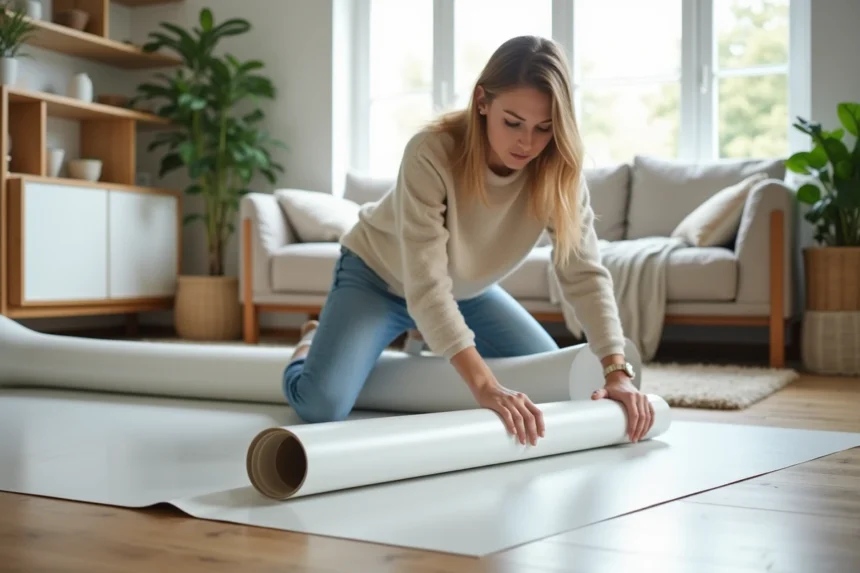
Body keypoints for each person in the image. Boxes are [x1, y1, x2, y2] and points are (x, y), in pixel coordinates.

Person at [283, 35, 655, 446]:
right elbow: (425, 286)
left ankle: (425, 339)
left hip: (464, 292)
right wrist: (484, 387)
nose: (526, 143)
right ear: (482, 101)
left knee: (549, 379)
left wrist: (617, 373)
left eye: (544, 128)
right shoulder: (431, 152)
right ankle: (311, 342)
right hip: (378, 277)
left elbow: (583, 273)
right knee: (322, 405)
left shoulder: (557, 171)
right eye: (512, 122)